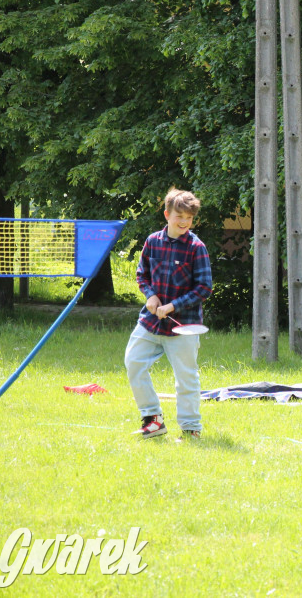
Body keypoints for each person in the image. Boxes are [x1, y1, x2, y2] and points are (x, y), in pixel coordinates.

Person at [125, 188, 213, 441]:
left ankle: (190, 429)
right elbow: (142, 275)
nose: (184, 222)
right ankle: (153, 421)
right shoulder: (152, 241)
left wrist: (172, 306)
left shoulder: (197, 247)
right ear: (167, 214)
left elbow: (204, 288)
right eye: (179, 216)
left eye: (189, 218)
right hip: (150, 321)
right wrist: (150, 295)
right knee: (133, 363)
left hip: (184, 325)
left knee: (186, 378)